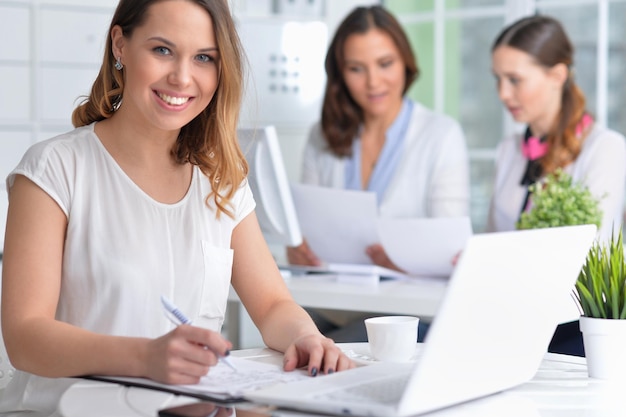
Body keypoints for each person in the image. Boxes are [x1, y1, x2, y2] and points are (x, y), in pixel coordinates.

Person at [0, 0, 353, 414]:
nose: (182, 77)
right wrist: (146, 357)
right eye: (162, 50)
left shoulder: (222, 180)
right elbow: (25, 337)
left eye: (204, 57)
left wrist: (306, 336)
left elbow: (273, 305)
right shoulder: (54, 169)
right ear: (120, 45)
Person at [286, 6, 470, 341]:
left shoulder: (441, 135)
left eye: (385, 64)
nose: (373, 82)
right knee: (284, 341)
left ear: (405, 63)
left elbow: (449, 251)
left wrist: (402, 260)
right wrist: (297, 251)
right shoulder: (321, 136)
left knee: (326, 354)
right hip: (329, 305)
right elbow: (304, 231)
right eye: (357, 69)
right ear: (341, 75)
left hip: (406, 317)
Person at [488, 15, 626, 356]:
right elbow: (493, 240)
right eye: (498, 79)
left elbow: (590, 257)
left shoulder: (605, 149)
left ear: (557, 75)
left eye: (515, 80)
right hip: (509, 317)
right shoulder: (508, 151)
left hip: (574, 328)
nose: (503, 93)